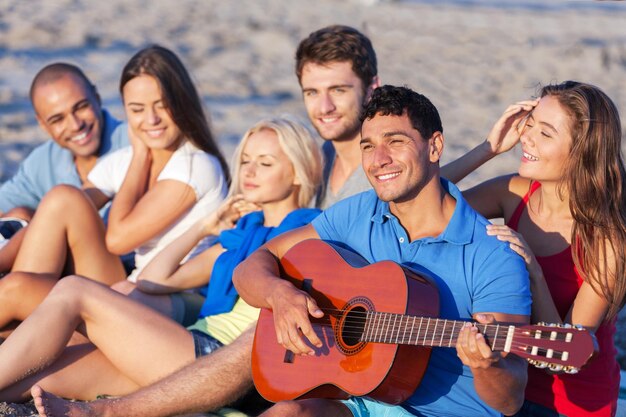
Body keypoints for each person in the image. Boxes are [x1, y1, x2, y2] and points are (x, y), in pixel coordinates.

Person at [232, 85, 531, 417]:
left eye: (395, 141)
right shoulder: (360, 211)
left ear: (434, 147)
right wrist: (278, 295)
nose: (378, 160)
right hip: (361, 400)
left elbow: (509, 399)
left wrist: (486, 366)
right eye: (368, 146)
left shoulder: (493, 256)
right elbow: (252, 266)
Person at [0, 116, 323, 417]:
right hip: (181, 351)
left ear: (298, 172)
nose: (250, 171)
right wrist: (204, 228)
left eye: (265, 163)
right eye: (245, 161)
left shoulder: (307, 235)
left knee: (73, 291)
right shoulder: (240, 239)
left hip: (219, 362)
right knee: (45, 372)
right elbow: (155, 279)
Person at [0, 44, 229, 330]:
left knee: (16, 289)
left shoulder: (195, 165)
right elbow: (60, 210)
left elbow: (118, 240)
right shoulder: (121, 159)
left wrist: (139, 159)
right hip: (129, 285)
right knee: (60, 199)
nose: (151, 119)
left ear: (181, 101)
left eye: (162, 105)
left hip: (167, 299)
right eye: (137, 109)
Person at [442, 81, 626, 417]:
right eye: (530, 123)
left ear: (582, 151)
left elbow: (563, 358)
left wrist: (533, 271)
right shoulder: (513, 191)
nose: (526, 137)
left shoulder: (607, 241)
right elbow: (421, 205)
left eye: (545, 132)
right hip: (501, 383)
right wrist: (488, 149)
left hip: (570, 403)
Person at [0, 63, 128, 271]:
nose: (75, 125)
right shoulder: (44, 160)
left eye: (81, 107)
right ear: (42, 124)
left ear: (97, 98)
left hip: (122, 276)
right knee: (19, 214)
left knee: (63, 200)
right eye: (57, 119)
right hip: (66, 277)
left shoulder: (135, 143)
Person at [296, 25, 380, 208]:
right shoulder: (323, 156)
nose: (325, 107)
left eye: (338, 90)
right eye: (312, 92)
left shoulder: (385, 165)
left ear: (371, 89)